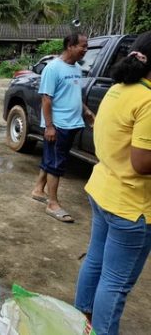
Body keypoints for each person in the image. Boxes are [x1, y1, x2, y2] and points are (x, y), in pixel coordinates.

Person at [74, 33, 151, 335]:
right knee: (115, 283)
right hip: (131, 207)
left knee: (95, 260)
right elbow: (142, 162)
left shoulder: (119, 90)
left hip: (103, 190)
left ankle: (79, 321)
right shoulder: (147, 100)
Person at [30, 32, 95, 223]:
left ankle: (38, 190)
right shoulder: (53, 68)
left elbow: (73, 95)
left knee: (52, 159)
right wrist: (49, 126)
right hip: (58, 125)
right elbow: (46, 99)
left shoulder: (76, 68)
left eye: (86, 46)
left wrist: (86, 111)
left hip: (73, 123)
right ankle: (52, 203)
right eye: (82, 46)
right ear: (70, 46)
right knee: (56, 164)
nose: (85, 49)